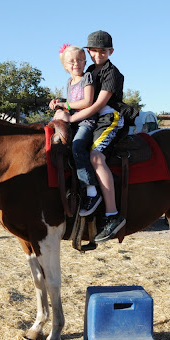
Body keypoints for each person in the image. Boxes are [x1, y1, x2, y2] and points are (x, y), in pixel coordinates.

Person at [55, 31, 126, 243]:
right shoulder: (88, 71)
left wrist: (70, 117)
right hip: (90, 118)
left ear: (111, 51)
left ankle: (112, 214)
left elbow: (96, 105)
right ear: (88, 52)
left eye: (102, 51)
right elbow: (78, 97)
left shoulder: (112, 73)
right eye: (93, 51)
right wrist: (61, 103)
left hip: (109, 118)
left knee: (96, 157)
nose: (98, 54)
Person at [49, 44, 102, 217]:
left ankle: (92, 190)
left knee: (78, 146)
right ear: (65, 66)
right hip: (74, 122)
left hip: (86, 121)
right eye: (71, 61)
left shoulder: (87, 77)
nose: (76, 64)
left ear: (85, 62)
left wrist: (65, 105)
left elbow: (87, 101)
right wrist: (58, 103)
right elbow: (70, 102)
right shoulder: (69, 82)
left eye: (80, 60)